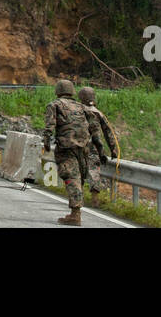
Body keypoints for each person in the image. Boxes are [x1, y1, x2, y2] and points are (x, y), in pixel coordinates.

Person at [42, 79, 91, 226]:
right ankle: (76, 211)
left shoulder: (54, 105)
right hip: (84, 147)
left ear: (57, 91)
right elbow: (93, 126)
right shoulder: (82, 107)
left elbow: (50, 125)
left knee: (71, 177)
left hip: (66, 147)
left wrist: (46, 142)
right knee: (79, 178)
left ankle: (75, 214)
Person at [77, 86, 119, 202]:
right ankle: (95, 198)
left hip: (78, 145)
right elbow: (108, 132)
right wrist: (113, 150)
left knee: (77, 169)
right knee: (94, 170)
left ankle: (77, 196)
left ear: (81, 97)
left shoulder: (77, 109)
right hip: (93, 147)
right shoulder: (98, 113)